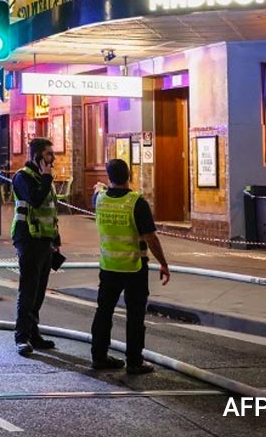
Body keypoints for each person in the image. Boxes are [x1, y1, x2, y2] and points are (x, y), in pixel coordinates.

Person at [90, 159, 171, 375]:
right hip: (134, 267)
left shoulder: (100, 199)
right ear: (129, 176)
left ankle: (98, 357)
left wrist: (100, 188)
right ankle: (134, 361)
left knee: (103, 312)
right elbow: (151, 238)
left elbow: (96, 194)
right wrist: (163, 263)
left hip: (108, 267)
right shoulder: (137, 203)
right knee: (135, 316)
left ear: (109, 178)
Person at [12, 137, 61, 355]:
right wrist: (47, 178)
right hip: (28, 238)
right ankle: (21, 337)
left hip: (44, 239)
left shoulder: (43, 178)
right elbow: (36, 200)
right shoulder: (23, 177)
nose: (54, 158)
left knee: (39, 291)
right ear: (37, 156)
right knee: (29, 290)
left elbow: (51, 211)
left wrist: (55, 240)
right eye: (49, 154)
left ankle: (34, 334)